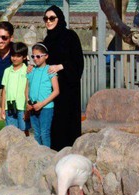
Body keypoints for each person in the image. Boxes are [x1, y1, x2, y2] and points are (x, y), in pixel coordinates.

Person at [42, 5, 84, 151]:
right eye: (46, 18)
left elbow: (78, 62)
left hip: (68, 90)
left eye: (52, 18)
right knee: (52, 125)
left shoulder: (70, 37)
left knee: (67, 124)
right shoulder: (47, 40)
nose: (48, 21)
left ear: (59, 19)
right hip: (51, 89)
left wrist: (61, 66)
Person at [26, 43, 59, 147]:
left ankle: (47, 157)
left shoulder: (50, 70)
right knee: (36, 133)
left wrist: (42, 104)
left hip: (46, 108)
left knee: (44, 133)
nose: (35, 59)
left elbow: (56, 91)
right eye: (33, 56)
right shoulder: (31, 70)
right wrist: (27, 102)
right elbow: (26, 88)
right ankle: (38, 157)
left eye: (38, 56)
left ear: (46, 56)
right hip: (32, 107)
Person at [0, 42, 30, 136]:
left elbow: (27, 90)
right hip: (9, 107)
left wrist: (28, 107)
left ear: (24, 57)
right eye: (13, 55)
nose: (15, 58)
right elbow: (4, 91)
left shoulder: (27, 71)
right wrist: (2, 108)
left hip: (22, 107)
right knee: (11, 133)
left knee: (24, 131)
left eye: (18, 56)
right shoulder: (7, 71)